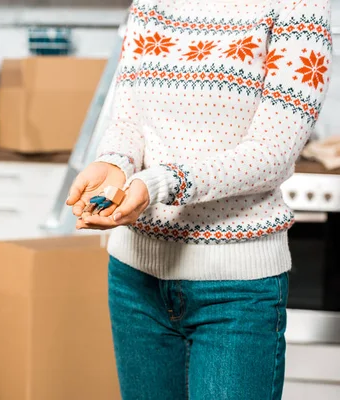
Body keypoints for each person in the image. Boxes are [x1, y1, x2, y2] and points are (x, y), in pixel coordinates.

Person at [66, 0, 332, 399]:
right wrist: (115, 164)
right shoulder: (151, 4)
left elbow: (272, 154)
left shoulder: (298, 6)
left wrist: (159, 183)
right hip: (135, 282)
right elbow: (128, 120)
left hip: (235, 293)